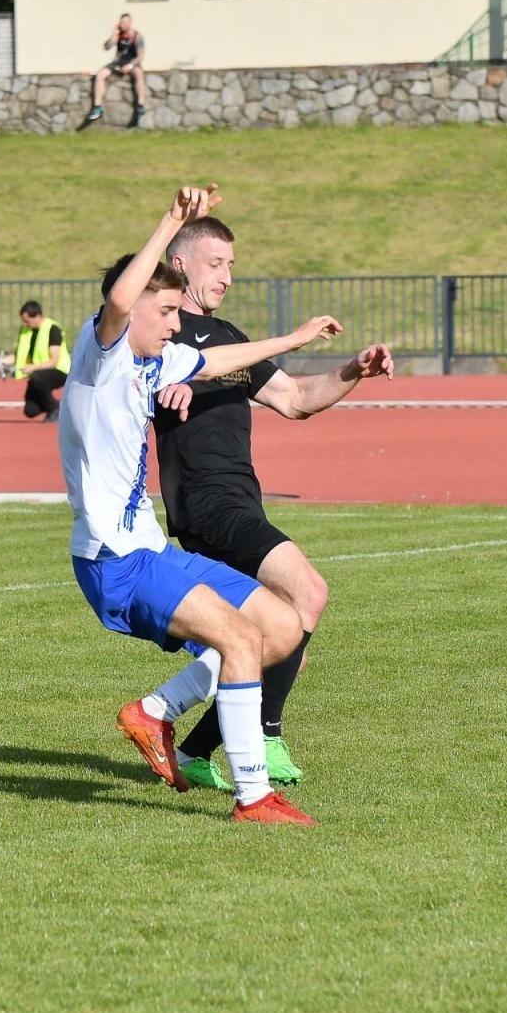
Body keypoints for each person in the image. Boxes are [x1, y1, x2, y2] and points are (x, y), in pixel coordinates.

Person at [60, 183, 340, 825]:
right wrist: (170, 220)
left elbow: (218, 361)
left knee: (282, 626)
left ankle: (154, 712)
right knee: (240, 638)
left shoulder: (152, 365)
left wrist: (292, 339)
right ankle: (253, 797)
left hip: (150, 552)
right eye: (164, 312)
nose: (172, 322)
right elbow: (121, 298)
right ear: (133, 313)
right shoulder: (100, 357)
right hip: (114, 562)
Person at [152, 218, 394, 791]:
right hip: (207, 505)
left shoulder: (230, 337)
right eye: (216, 264)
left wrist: (351, 370)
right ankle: (265, 735)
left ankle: (188, 751)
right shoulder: (160, 334)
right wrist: (162, 389)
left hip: (241, 503)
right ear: (181, 263)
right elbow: (139, 375)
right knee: (310, 592)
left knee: (283, 644)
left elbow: (294, 398)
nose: (227, 276)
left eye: (232, 265)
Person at [6, 300, 70, 422]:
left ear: (37, 316)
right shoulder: (26, 331)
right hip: (39, 373)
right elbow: (19, 355)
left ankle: (54, 408)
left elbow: (54, 361)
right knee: (30, 410)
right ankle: (55, 405)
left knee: (36, 378)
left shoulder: (53, 329)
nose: (25, 323)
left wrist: (33, 368)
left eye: (26, 320)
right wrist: (1, 362)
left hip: (59, 371)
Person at [85, 14, 147, 127]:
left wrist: (130, 65)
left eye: (123, 22)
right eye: (120, 22)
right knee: (100, 75)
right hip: (118, 62)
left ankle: (140, 106)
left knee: (139, 74)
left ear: (129, 23)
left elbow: (140, 56)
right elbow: (107, 47)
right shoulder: (118, 35)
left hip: (132, 63)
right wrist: (114, 35)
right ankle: (97, 108)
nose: (120, 24)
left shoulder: (137, 37)